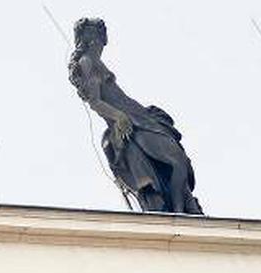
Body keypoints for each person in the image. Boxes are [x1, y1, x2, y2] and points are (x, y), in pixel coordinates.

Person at [68, 18, 202, 214]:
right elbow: (95, 102)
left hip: (141, 116)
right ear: (94, 39)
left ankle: (182, 208)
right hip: (131, 122)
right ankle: (179, 211)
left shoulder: (97, 62)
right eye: (100, 34)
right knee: (177, 161)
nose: (103, 40)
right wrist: (119, 117)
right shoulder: (87, 61)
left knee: (178, 160)